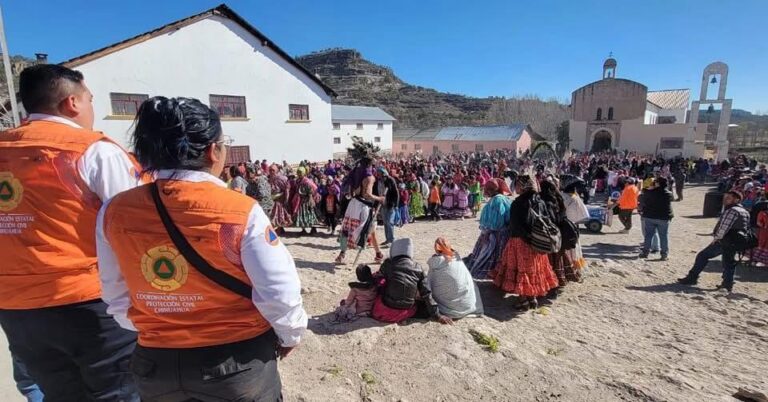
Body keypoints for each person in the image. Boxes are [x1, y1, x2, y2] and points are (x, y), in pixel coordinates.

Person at [96, 96, 307, 400]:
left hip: (156, 364)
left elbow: (115, 295)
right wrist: (291, 334)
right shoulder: (238, 210)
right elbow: (278, 289)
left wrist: (161, 324)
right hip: (235, 361)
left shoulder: (114, 211)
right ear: (213, 150)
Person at [0, 64, 142, 401]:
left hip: (16, 308)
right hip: (88, 304)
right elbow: (135, 227)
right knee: (118, 393)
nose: (92, 109)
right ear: (72, 103)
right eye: (91, 99)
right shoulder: (94, 151)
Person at [489, 175, 559, 310]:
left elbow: (516, 225)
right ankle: (532, 298)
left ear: (522, 186)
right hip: (538, 242)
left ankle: (523, 301)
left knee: (522, 270)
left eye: (517, 185)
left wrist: (524, 237)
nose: (515, 187)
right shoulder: (540, 201)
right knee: (533, 269)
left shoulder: (518, 203)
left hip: (520, 242)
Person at [678, 191, 751, 292]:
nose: (725, 199)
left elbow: (724, 227)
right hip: (735, 241)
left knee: (703, 255)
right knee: (729, 263)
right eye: (726, 197)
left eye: (729, 198)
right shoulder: (744, 211)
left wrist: (717, 238)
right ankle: (727, 284)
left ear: (736, 199)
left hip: (726, 240)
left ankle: (692, 277)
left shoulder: (732, 210)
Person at [371, 238, 451, 324]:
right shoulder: (418, 268)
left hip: (386, 308)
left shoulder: (387, 264)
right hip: (406, 311)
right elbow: (426, 293)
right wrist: (437, 315)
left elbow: (379, 279)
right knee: (424, 308)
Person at [335, 137, 385, 264]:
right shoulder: (369, 177)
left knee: (348, 229)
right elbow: (367, 194)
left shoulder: (355, 172)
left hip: (353, 204)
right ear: (370, 162)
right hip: (363, 207)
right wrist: (380, 198)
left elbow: (350, 189)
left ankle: (342, 254)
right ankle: (378, 254)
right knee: (367, 229)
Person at [426, 238, 483, 319]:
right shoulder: (457, 259)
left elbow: (429, 285)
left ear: (436, 248)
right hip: (469, 307)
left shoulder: (435, 263)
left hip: (448, 311)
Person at [467, 179, 511, 279]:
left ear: (492, 190)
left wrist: (487, 232)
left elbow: (497, 222)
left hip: (496, 234)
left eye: (488, 190)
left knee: (490, 254)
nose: (486, 192)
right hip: (500, 232)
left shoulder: (497, 200)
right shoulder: (502, 198)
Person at [638, 177, 674, 260]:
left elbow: (642, 195)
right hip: (663, 218)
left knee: (648, 235)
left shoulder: (650, 192)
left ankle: (645, 252)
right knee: (663, 236)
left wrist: (650, 188)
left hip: (650, 217)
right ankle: (664, 254)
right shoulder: (668, 194)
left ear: (657, 183)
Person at [376, 167, 399, 247]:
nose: (378, 175)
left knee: (390, 222)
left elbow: (396, 192)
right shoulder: (378, 181)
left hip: (390, 204)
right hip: (382, 205)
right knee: (385, 222)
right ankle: (387, 239)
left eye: (379, 173)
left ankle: (392, 240)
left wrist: (395, 204)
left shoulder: (390, 180)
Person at [294, 166, 319, 234]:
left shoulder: (307, 181)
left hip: (307, 200)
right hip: (301, 201)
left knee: (310, 214)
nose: (299, 174)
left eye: (300, 173)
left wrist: (311, 200)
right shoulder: (298, 181)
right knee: (302, 215)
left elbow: (310, 191)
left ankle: (313, 229)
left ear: (304, 173)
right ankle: (303, 230)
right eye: (298, 173)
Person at [268, 164, 293, 233]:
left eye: (273, 170)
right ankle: (279, 229)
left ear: (277, 170)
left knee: (279, 214)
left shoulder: (282, 178)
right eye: (270, 170)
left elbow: (287, 189)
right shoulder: (269, 179)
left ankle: (279, 229)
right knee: (274, 215)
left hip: (280, 200)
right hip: (272, 199)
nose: (271, 172)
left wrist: (286, 199)